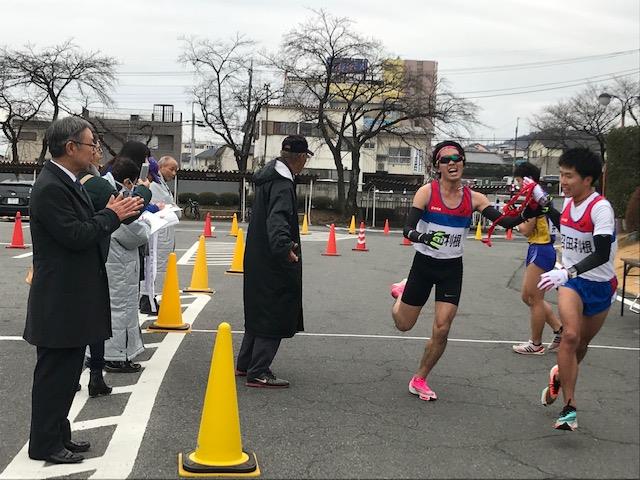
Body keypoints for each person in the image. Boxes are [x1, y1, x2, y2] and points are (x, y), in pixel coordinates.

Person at [24, 117, 142, 464]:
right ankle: (44, 443)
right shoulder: (50, 187)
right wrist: (111, 215)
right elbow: (76, 235)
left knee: (65, 375)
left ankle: (58, 435)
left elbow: (88, 223)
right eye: (92, 144)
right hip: (60, 299)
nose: (97, 150)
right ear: (71, 147)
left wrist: (118, 212)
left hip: (72, 296)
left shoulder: (68, 181)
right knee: (54, 376)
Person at [390, 141, 542, 402]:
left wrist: (534, 208)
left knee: (442, 328)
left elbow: (505, 221)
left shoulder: (474, 198)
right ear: (437, 166)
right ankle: (401, 294)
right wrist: (423, 238)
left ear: (463, 162)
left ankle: (420, 378)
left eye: (457, 158)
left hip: (451, 268)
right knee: (404, 324)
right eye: (446, 159)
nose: (453, 163)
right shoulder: (427, 192)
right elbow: (407, 229)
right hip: (424, 264)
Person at [537, 148, 617, 431]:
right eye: (561, 174)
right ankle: (569, 407)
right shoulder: (569, 203)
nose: (563, 181)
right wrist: (546, 208)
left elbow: (602, 253)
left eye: (569, 176)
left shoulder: (600, 208)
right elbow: (567, 226)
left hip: (600, 285)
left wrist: (567, 271)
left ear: (588, 179)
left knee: (581, 346)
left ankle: (559, 377)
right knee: (569, 337)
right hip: (571, 283)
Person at [236, 135, 311, 388]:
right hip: (272, 257)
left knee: (259, 308)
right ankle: (258, 371)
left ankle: (245, 363)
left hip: (257, 254)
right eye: (305, 159)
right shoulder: (282, 184)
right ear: (300, 159)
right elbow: (278, 218)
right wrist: (285, 248)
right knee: (274, 309)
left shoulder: (267, 178)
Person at [100, 158, 153, 372]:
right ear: (129, 181)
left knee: (109, 307)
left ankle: (101, 354)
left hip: (109, 259)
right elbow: (133, 233)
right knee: (120, 308)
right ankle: (115, 356)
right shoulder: (117, 196)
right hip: (120, 262)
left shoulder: (102, 188)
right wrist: (147, 223)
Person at [511, 162, 563, 355]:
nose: (517, 186)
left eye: (518, 181)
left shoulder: (533, 199)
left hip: (541, 249)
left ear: (526, 180)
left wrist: (515, 222)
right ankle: (559, 330)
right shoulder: (537, 197)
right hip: (539, 248)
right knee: (528, 297)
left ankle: (536, 344)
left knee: (535, 298)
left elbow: (525, 229)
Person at [139, 155, 181, 314]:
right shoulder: (155, 185)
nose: (174, 173)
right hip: (157, 232)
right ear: (161, 167)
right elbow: (156, 207)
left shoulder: (161, 184)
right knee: (151, 265)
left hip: (164, 232)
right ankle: (146, 299)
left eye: (175, 170)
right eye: (171, 169)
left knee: (155, 266)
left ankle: (149, 297)